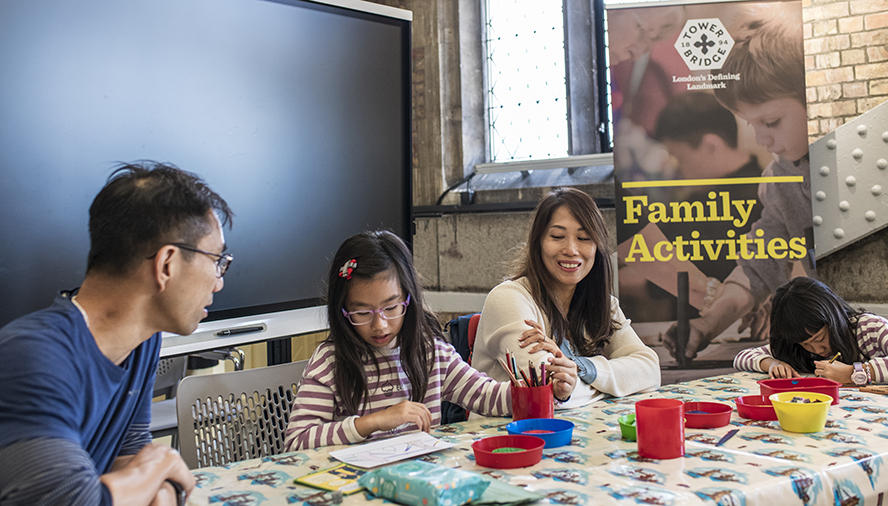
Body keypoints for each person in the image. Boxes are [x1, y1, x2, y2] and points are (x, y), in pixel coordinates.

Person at [0, 162, 233, 505]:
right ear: (166, 264)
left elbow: (130, 453)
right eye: (217, 260)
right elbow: (67, 499)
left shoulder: (142, 340)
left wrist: (159, 481)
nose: (219, 281)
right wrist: (159, 464)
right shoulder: (32, 355)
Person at [282, 231, 576, 450]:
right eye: (361, 312)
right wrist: (372, 422)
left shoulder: (429, 351)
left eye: (391, 307)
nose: (380, 323)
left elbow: (485, 396)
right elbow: (295, 443)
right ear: (342, 310)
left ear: (409, 298)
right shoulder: (330, 362)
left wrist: (547, 389)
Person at [663, 18, 815, 362]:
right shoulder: (777, 181)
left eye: (771, 122)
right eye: (753, 124)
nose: (762, 139)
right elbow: (759, 267)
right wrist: (707, 324)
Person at [470, 188, 660, 409]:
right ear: (538, 242)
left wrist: (581, 367)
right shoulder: (508, 298)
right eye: (557, 237)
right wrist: (614, 386)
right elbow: (548, 394)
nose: (571, 249)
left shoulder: (604, 305)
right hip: (511, 437)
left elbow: (650, 371)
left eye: (584, 238)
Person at [617, 92, 764, 322]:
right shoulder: (697, 200)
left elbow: (673, 275)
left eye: (678, 157)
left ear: (710, 145)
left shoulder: (762, 201)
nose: (676, 168)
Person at [734, 277, 888, 384]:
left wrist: (853, 373)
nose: (817, 350)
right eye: (806, 344)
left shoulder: (869, 328)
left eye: (820, 339)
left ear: (833, 318)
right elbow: (741, 358)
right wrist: (772, 363)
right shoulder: (796, 349)